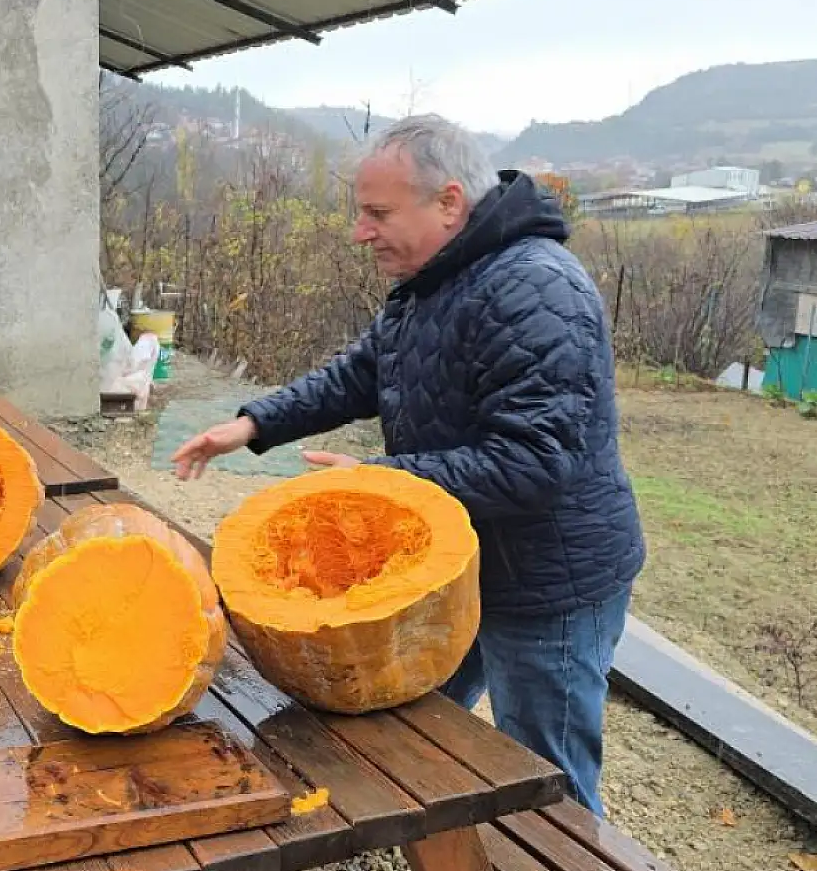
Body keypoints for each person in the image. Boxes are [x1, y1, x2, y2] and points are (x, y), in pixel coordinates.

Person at [172, 114, 644, 816]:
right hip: (456, 564)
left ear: (449, 202)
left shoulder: (538, 290)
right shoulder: (433, 279)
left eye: (378, 213)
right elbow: (361, 374)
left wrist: (379, 484)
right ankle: (430, 836)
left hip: (548, 579)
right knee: (415, 722)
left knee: (551, 781)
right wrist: (253, 423)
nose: (360, 232)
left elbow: (536, 459)